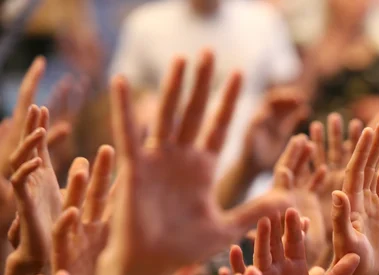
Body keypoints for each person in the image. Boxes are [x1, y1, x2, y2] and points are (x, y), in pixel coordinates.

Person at [110, 0, 302, 176]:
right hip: (170, 174)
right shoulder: (144, 25)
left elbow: (285, 95)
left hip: (248, 172)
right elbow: (124, 99)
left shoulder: (265, 21)